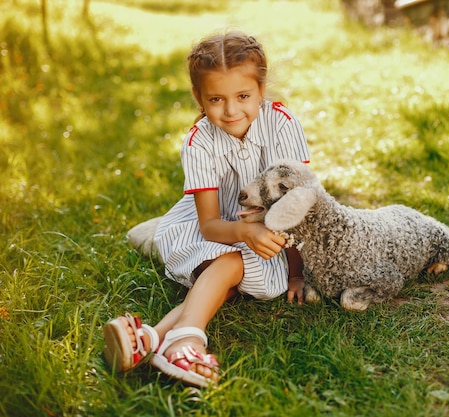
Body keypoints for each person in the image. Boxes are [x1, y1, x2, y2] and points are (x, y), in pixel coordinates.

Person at [103, 31, 310, 388]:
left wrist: (295, 273)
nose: (231, 110)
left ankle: (150, 339)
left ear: (261, 89)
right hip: (215, 228)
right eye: (216, 98)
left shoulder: (282, 123)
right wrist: (244, 232)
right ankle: (186, 341)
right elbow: (211, 224)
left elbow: (296, 204)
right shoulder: (198, 141)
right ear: (199, 97)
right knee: (228, 264)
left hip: (272, 231)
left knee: (224, 280)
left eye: (243, 96)